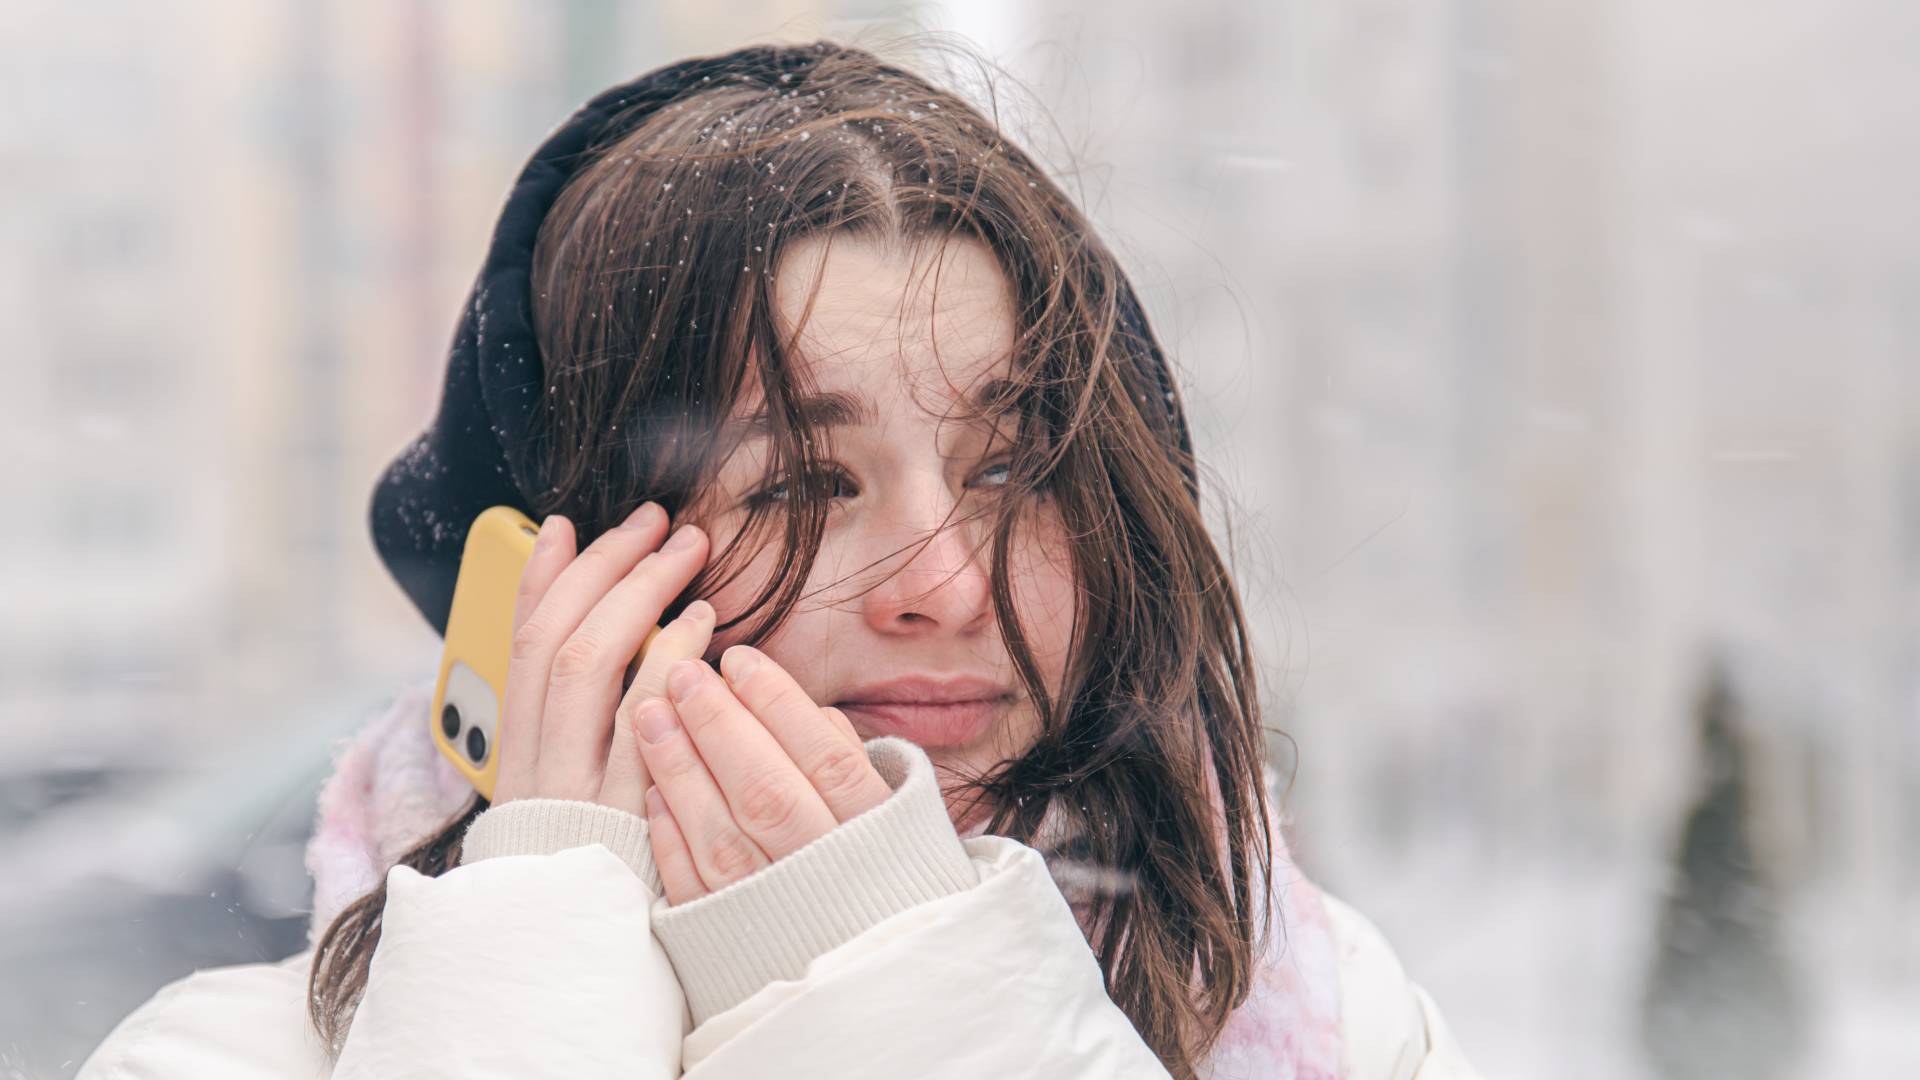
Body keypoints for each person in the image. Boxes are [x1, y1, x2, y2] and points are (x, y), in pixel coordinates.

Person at [79, 40, 1480, 1080]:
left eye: (1014, 468)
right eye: (807, 481)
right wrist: (531, 961)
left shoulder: (1329, 1022)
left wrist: (904, 984)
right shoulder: (223, 1058)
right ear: (557, 591)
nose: (944, 583)